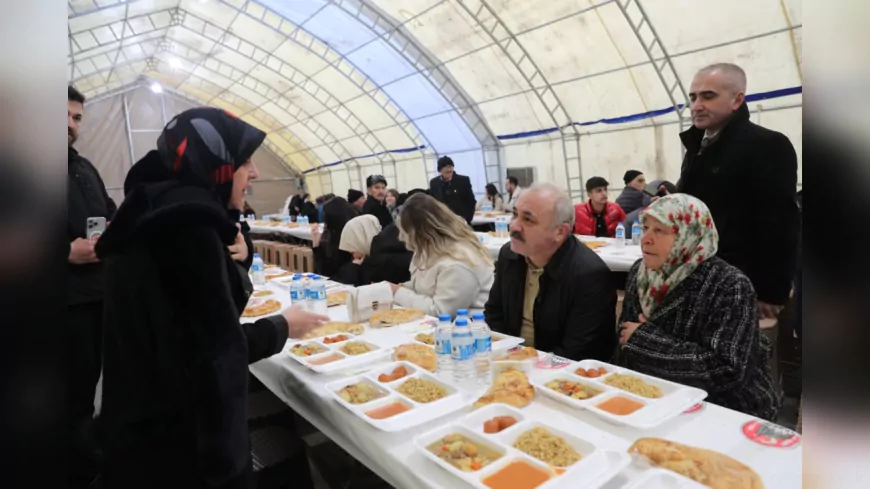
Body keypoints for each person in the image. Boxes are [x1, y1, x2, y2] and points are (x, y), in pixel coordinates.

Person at [94, 107, 328, 488]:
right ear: (216, 163)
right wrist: (282, 326)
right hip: (182, 449)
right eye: (246, 161)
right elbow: (213, 355)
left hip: (138, 430)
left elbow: (180, 331)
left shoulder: (151, 212)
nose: (254, 174)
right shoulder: (187, 230)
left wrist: (241, 254)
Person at [618, 194, 780, 420]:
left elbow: (726, 371)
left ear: (689, 235)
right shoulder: (640, 272)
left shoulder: (729, 285)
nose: (646, 238)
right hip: (656, 399)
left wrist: (645, 341)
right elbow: (624, 337)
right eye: (645, 227)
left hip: (725, 411)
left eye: (660, 230)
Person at [676, 63, 799, 319]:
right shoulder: (698, 146)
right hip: (697, 279)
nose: (696, 105)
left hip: (740, 285)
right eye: (693, 97)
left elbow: (780, 223)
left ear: (737, 100)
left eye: (708, 96)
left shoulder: (767, 145)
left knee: (740, 355)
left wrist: (770, 291)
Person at [485, 183, 616, 361]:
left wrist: (526, 365)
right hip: (511, 364)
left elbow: (578, 351)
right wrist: (506, 356)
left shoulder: (589, 275)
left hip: (562, 376)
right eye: (515, 214)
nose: (514, 226)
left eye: (528, 219)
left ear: (560, 232)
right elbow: (494, 313)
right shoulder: (510, 255)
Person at [67, 84, 117, 489]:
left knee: (89, 386)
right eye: (62, 116)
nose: (71, 125)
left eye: (77, 117)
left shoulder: (85, 169)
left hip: (99, 297)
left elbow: (114, 216)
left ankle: (88, 463)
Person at [388, 193, 494, 316]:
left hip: (469, 328)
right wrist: (404, 288)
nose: (400, 238)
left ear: (420, 233)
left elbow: (442, 312)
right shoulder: (426, 251)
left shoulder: (458, 262)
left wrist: (398, 293)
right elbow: (426, 288)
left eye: (404, 232)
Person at [311, 196, 360, 277]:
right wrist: (316, 244)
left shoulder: (334, 237)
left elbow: (325, 272)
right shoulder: (334, 236)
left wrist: (316, 245)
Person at [332, 215, 383, 286]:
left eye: (353, 248)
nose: (350, 252)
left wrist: (353, 268)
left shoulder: (382, 263)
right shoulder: (361, 259)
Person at [428, 156, 476, 224]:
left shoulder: (463, 181)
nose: (449, 169)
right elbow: (432, 203)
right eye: (446, 167)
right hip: (443, 221)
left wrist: (467, 219)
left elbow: (471, 201)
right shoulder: (434, 183)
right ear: (440, 170)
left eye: (450, 166)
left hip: (461, 221)